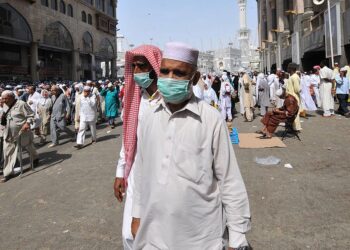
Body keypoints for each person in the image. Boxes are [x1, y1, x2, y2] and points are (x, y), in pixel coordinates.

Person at [131, 42, 251, 250]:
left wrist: (237, 236)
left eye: (179, 73)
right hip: (153, 235)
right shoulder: (149, 116)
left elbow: (229, 179)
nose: (169, 78)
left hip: (201, 238)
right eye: (165, 71)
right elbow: (142, 170)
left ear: (194, 78)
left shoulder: (211, 119)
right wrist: (136, 213)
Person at [114, 44, 162, 250]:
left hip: (165, 172)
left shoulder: (169, 101)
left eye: (141, 66)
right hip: (137, 174)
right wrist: (120, 172)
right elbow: (128, 139)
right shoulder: (136, 100)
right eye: (133, 67)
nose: (136, 72)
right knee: (130, 234)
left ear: (154, 67)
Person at [1, 91, 39, 182]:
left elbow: (31, 115)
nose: (3, 100)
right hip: (9, 134)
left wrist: (27, 123)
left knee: (28, 147)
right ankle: (8, 173)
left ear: (11, 97)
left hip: (21, 132)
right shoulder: (5, 105)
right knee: (7, 152)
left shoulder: (21, 104)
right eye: (2, 98)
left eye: (5, 98)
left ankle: (35, 158)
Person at [286, 63, 302, 131]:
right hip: (290, 97)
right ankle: (293, 127)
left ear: (292, 69)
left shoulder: (295, 77)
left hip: (294, 97)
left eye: (288, 68)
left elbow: (297, 89)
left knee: (294, 113)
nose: (287, 69)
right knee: (291, 112)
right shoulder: (292, 76)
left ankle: (296, 128)